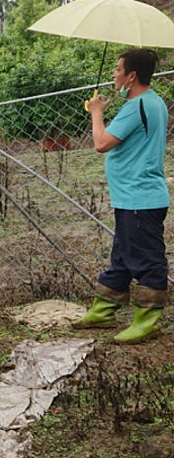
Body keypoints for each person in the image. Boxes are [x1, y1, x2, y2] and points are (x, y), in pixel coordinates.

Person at [74, 49, 169, 343]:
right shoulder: (155, 102)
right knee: (123, 256)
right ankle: (104, 311)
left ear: (131, 75)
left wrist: (96, 112)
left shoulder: (136, 106)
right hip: (133, 196)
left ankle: (148, 321)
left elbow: (101, 143)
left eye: (118, 69)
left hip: (139, 196)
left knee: (146, 259)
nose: (114, 75)